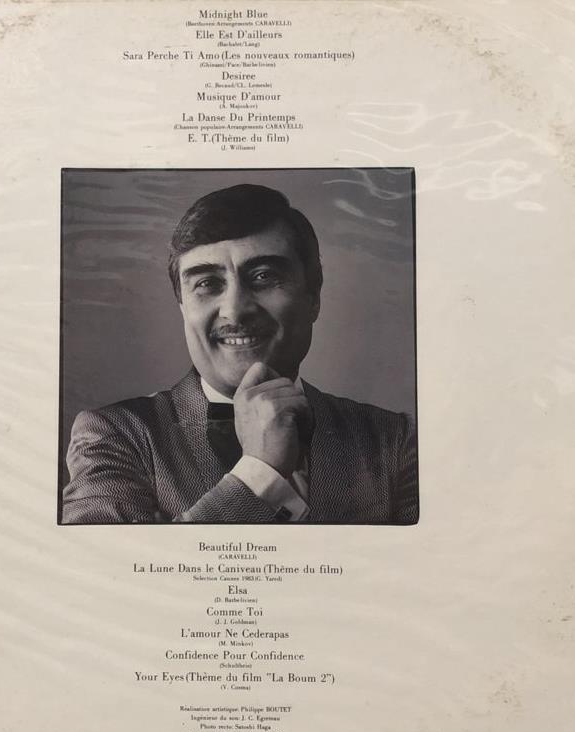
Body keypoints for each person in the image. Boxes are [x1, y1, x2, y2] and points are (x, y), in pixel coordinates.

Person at [62, 184, 418, 524]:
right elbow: (108, 564)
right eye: (206, 283)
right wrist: (259, 471)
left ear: (313, 296)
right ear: (183, 306)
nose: (234, 311)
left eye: (263, 276)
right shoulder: (116, 436)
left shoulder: (395, 439)